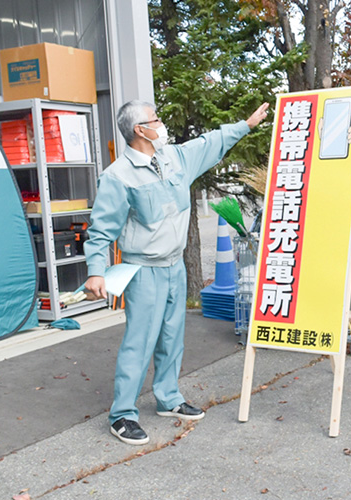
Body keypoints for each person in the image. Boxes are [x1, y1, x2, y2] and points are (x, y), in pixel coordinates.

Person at [84, 100, 269, 445]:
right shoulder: (118, 177)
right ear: (140, 130)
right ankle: (122, 414)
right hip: (143, 271)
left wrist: (245, 125)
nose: (162, 124)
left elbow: (209, 143)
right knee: (139, 342)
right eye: (155, 120)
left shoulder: (174, 158)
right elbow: (101, 230)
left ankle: (168, 398)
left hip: (175, 266)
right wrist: (96, 271)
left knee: (172, 337)